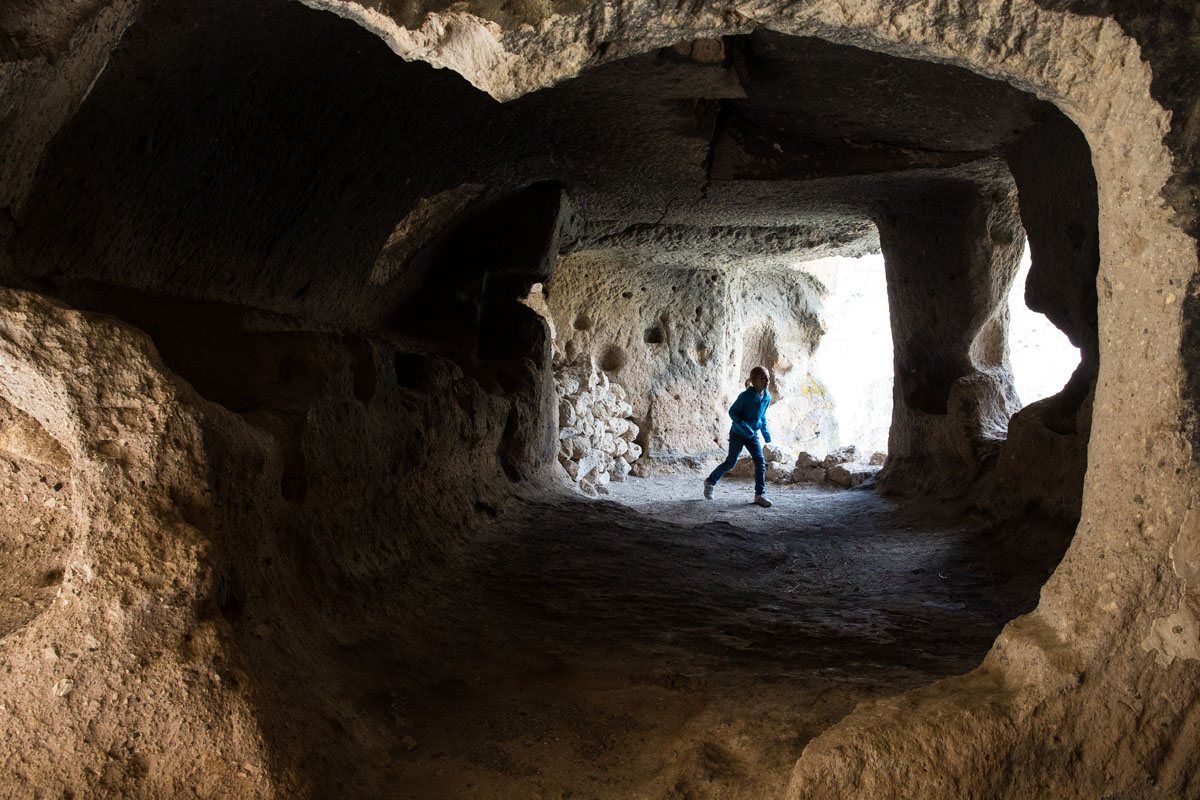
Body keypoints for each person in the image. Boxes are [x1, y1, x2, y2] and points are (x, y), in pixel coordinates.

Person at [704, 365, 774, 507]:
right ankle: (710, 482)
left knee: (760, 462)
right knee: (730, 463)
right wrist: (745, 427)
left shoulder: (767, 397)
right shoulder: (745, 396)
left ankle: (759, 495)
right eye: (763, 379)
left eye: (768, 378)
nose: (767, 381)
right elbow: (732, 412)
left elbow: (762, 416)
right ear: (754, 381)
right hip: (738, 433)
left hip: (752, 434)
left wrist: (765, 433)